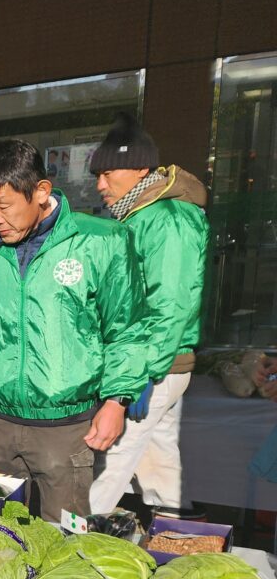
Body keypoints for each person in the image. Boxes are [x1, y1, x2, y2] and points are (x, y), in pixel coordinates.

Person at [0, 139, 148, 520]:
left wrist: (116, 400)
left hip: (65, 426)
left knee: (64, 535)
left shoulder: (101, 242)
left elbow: (127, 329)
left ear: (40, 192)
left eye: (4, 206)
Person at [87, 115, 209, 517]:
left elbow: (169, 305)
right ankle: (180, 540)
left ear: (141, 169)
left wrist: (133, 380)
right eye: (97, 176)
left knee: (105, 468)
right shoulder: (141, 215)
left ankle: (66, 543)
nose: (100, 185)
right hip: (157, 365)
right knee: (159, 469)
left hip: (151, 367)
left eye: (107, 173)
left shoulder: (167, 218)